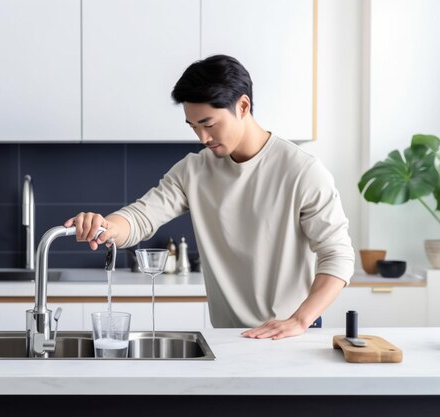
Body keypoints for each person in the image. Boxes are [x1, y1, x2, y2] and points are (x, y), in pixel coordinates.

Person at [64, 55, 354, 340]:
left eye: (209, 124)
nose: (202, 137)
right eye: (193, 127)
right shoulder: (194, 170)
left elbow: (338, 256)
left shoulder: (302, 171)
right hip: (228, 337)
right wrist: (105, 226)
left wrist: (300, 320)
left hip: (291, 334)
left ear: (243, 106)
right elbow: (141, 217)